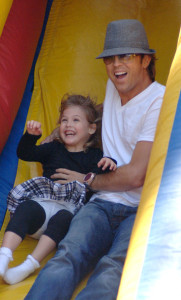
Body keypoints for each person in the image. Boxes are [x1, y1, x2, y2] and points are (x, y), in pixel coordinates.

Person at [25, 19, 166, 300]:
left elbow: (136, 174)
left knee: (113, 269)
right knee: (67, 254)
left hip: (141, 208)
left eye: (125, 56)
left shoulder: (158, 101)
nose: (116, 66)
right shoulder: (115, 85)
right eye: (110, 59)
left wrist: (87, 179)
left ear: (146, 60)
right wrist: (62, 131)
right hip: (101, 204)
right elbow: (104, 112)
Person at [0, 94, 116, 285]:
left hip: (67, 212)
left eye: (75, 120)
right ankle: (4, 255)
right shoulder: (53, 148)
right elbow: (25, 153)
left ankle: (30, 264)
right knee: (26, 208)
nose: (68, 124)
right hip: (42, 207)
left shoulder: (95, 155)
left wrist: (110, 162)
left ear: (91, 128)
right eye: (64, 120)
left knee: (64, 219)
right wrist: (31, 136)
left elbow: (102, 177)